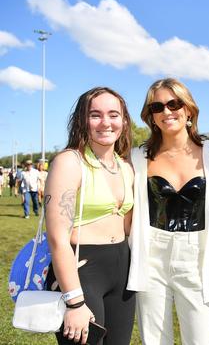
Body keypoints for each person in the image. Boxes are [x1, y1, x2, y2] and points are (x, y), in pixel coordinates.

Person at [127, 78, 209, 344]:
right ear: (151, 116)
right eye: (157, 107)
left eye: (174, 103)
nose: (166, 111)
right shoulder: (139, 157)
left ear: (188, 110)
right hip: (151, 255)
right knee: (154, 338)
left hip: (197, 256)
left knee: (201, 338)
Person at [44, 86, 136, 344]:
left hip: (122, 270)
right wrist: (74, 302)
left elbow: (129, 227)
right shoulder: (69, 162)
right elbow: (57, 239)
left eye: (113, 114)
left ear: (124, 120)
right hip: (82, 271)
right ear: (82, 120)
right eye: (95, 115)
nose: (106, 122)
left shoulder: (126, 166)